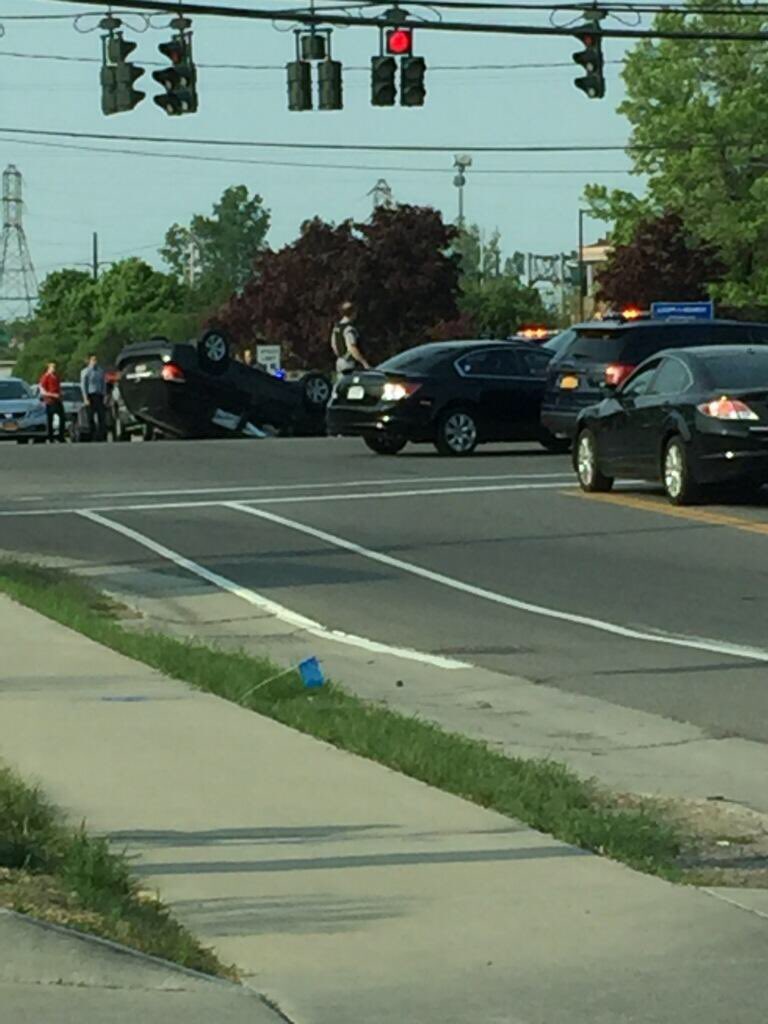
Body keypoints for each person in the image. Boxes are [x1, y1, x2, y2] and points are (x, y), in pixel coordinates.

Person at [330, 301, 370, 378]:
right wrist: (364, 362)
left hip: (340, 362)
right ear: (353, 313)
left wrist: (340, 355)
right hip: (349, 363)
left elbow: (333, 345)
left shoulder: (336, 328)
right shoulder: (349, 329)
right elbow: (352, 348)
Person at [80, 353, 108, 441]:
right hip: (90, 395)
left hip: (99, 395)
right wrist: (85, 398)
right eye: (93, 360)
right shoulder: (85, 372)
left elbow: (103, 383)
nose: (95, 362)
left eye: (96, 360)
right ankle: (92, 435)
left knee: (101, 416)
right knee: (90, 417)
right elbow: (83, 385)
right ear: (89, 361)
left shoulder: (100, 371)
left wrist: (104, 395)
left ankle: (101, 436)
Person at [38, 360, 66, 443]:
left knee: (62, 418)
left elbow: (58, 387)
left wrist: (60, 393)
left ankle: (61, 436)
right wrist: (52, 395)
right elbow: (42, 391)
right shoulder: (45, 377)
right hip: (50, 401)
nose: (54, 369)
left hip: (58, 400)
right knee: (50, 419)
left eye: (55, 367)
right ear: (48, 367)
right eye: (52, 367)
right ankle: (50, 437)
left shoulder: (56, 377)